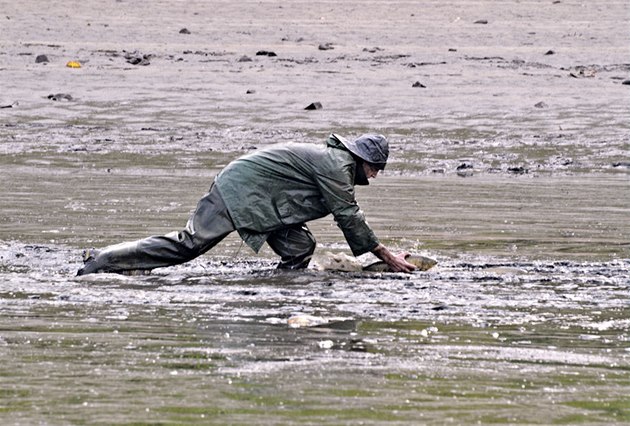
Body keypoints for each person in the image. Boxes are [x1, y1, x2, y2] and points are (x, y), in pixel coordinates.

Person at [76, 133, 417, 276]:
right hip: (239, 191)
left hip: (265, 202)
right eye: (375, 169)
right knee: (189, 245)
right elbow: (348, 216)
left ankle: (279, 286)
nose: (375, 176)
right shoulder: (336, 166)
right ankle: (103, 259)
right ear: (361, 160)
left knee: (301, 246)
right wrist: (387, 257)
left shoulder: (338, 164)